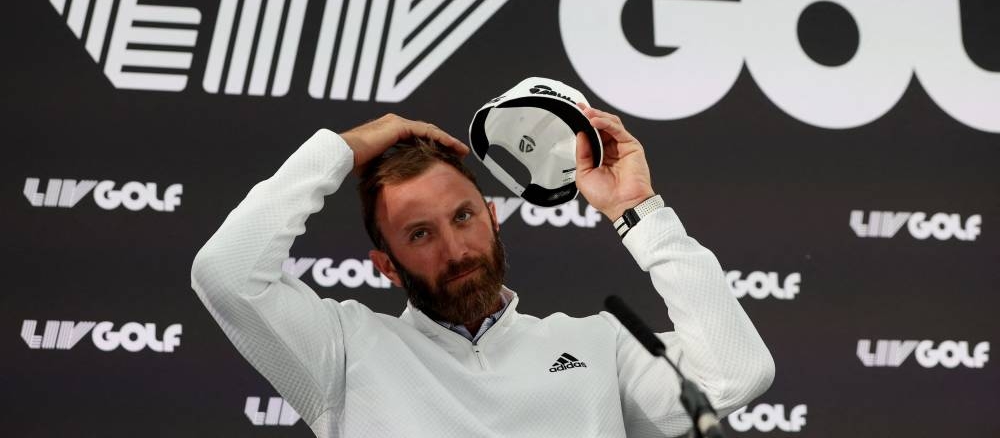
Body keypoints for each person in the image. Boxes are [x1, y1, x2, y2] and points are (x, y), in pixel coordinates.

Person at [191, 108, 774, 437]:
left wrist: (636, 213)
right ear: (387, 267)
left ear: (493, 219)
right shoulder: (343, 353)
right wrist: (344, 149)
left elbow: (737, 375)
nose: (455, 248)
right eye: (420, 234)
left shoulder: (597, 344)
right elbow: (225, 272)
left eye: (464, 216)